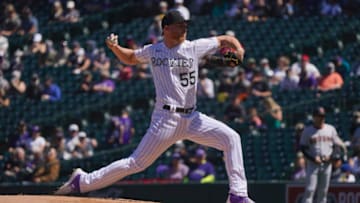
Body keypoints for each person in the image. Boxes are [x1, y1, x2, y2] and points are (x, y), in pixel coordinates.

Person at [55, 10, 254, 203]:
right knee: (136, 163)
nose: (184, 29)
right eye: (180, 26)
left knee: (231, 138)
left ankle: (237, 195)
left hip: (193, 118)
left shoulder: (194, 46)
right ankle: (82, 182)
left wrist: (240, 49)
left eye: (185, 25)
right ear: (166, 28)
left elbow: (225, 39)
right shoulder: (154, 50)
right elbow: (131, 57)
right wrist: (115, 48)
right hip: (166, 119)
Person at [300, 107, 347, 203]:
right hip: (313, 164)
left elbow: (336, 146)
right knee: (310, 190)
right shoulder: (307, 131)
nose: (321, 118)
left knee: (323, 192)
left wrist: (331, 157)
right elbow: (303, 148)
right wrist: (313, 158)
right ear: (314, 117)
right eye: (319, 116)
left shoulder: (330, 129)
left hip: (327, 164)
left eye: (323, 116)